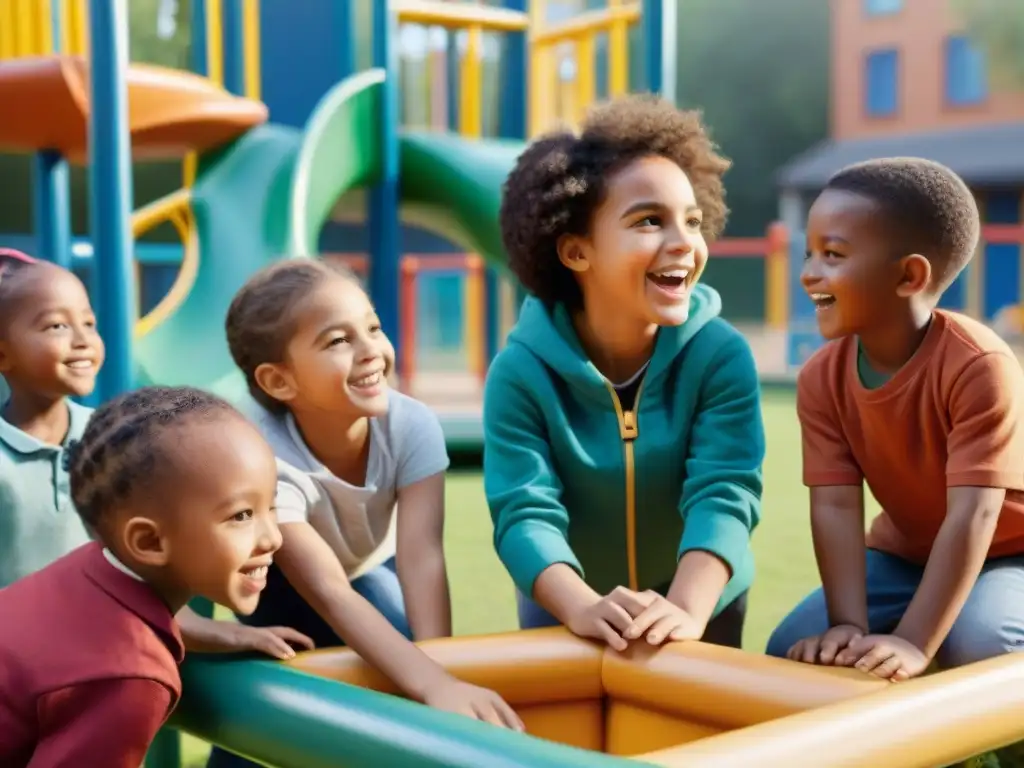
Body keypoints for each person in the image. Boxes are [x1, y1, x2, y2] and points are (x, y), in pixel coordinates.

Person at [207, 259, 522, 767]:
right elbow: (327, 591)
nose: (371, 349)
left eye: (372, 327)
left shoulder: (410, 424)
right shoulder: (264, 455)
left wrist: (439, 669)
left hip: (373, 566)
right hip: (281, 585)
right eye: (337, 341)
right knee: (268, 689)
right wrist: (431, 681)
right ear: (279, 381)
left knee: (400, 660)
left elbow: (422, 556)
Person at [483, 94, 764, 653]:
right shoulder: (519, 373)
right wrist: (580, 603)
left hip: (703, 595)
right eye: (649, 221)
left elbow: (724, 493)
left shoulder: (720, 355)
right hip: (568, 598)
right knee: (565, 743)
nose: (684, 242)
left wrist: (687, 609)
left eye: (693, 220)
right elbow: (524, 510)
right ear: (576, 252)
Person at [766, 158, 1024, 691]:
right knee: (795, 645)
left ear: (909, 275)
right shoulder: (821, 377)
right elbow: (835, 504)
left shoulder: (979, 366)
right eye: (810, 252)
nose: (809, 271)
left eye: (832, 255)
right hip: (905, 555)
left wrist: (913, 640)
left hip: (1012, 554)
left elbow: (973, 517)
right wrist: (846, 626)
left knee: (981, 643)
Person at [0, 249, 310, 661]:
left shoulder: (111, 443)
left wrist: (220, 633)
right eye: (57, 326)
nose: (83, 340)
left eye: (89, 323)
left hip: (112, 658)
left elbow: (140, 575)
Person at [0, 385, 283, 767]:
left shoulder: (86, 567)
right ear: (148, 541)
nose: (274, 537)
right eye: (241, 515)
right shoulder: (129, 678)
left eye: (272, 504)